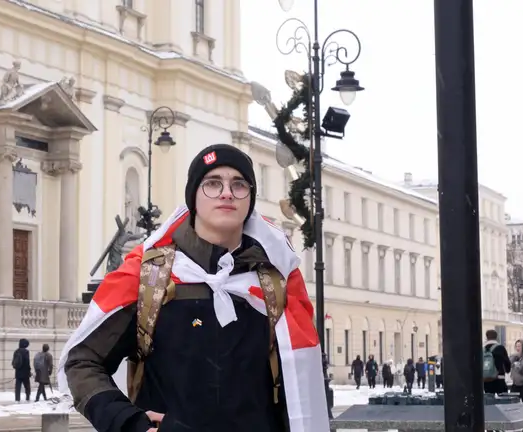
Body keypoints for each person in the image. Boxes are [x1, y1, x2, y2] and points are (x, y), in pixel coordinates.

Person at [58, 144, 328, 432]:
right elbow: (82, 361)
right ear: (193, 197)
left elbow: (298, 390)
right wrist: (129, 423)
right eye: (213, 183)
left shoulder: (275, 283)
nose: (227, 193)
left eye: (239, 184)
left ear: (250, 199)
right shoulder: (150, 277)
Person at [483, 329, 511, 395]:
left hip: (486, 379)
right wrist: (507, 370)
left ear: (486, 337)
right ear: (496, 337)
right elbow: (507, 363)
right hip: (499, 378)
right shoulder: (500, 348)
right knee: (502, 398)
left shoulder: (483, 349)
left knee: (489, 398)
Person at [12, 338, 31, 402]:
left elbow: (13, 362)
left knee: (18, 387)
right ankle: (27, 397)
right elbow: (27, 362)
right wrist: (29, 370)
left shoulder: (16, 351)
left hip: (18, 372)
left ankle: (17, 399)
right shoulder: (26, 352)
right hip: (25, 372)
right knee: (27, 386)